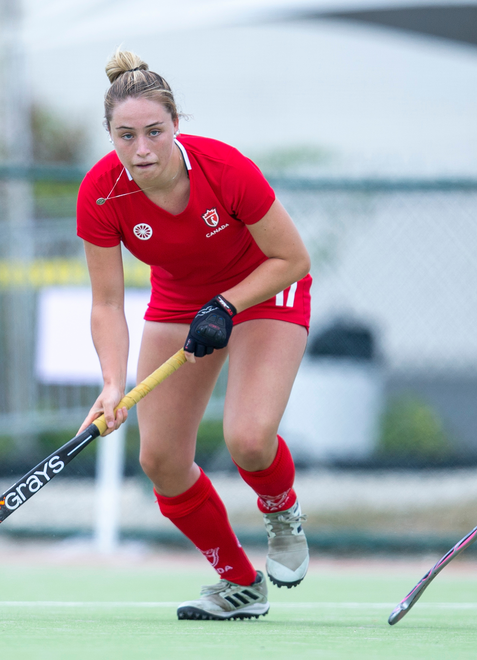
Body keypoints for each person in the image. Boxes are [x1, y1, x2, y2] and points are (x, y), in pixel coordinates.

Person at [75, 49, 313, 621]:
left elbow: (293, 259)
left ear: (176, 124)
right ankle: (239, 583)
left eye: (154, 132)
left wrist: (227, 304)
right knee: (160, 459)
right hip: (181, 300)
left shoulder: (224, 169)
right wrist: (112, 384)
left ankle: (281, 512)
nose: (142, 149)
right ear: (110, 136)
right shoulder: (100, 193)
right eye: (126, 136)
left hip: (263, 287)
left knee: (248, 439)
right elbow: (107, 303)